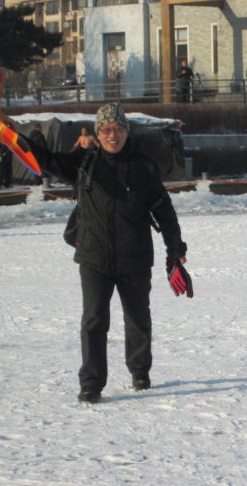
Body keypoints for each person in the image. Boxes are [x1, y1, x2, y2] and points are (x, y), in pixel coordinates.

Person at [14, 103, 192, 404]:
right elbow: (43, 158)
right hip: (94, 257)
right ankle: (91, 383)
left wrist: (175, 254)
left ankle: (139, 371)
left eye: (119, 129)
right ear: (98, 133)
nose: (113, 135)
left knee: (138, 318)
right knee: (94, 320)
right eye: (107, 129)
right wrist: (11, 136)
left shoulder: (144, 166)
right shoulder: (83, 162)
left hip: (134, 257)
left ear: (126, 131)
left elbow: (165, 212)